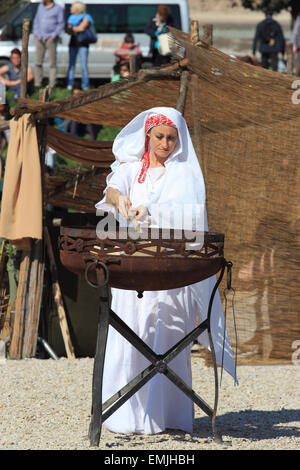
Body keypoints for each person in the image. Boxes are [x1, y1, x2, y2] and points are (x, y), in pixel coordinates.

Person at [95, 107, 237, 435]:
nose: (166, 143)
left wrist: (154, 211)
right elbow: (112, 190)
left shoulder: (183, 174)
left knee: (169, 337)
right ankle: (125, 414)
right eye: (160, 136)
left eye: (172, 138)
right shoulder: (131, 169)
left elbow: (190, 218)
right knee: (132, 333)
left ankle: (169, 416)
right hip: (134, 269)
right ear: (148, 136)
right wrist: (121, 202)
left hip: (172, 273)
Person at [32, 0, 65, 90]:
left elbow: (61, 24)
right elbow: (36, 20)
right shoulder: (40, 6)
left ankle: (52, 84)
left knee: (52, 63)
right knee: (38, 62)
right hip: (39, 37)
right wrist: (36, 32)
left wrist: (53, 36)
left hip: (51, 39)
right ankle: (37, 84)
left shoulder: (58, 8)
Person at [66, 1, 94, 91]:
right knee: (71, 65)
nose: (70, 9)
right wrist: (76, 29)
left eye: (72, 7)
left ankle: (85, 86)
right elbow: (69, 29)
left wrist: (73, 28)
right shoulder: (71, 17)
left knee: (83, 66)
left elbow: (81, 28)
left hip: (83, 44)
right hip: (73, 44)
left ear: (77, 8)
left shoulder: (87, 17)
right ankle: (69, 84)